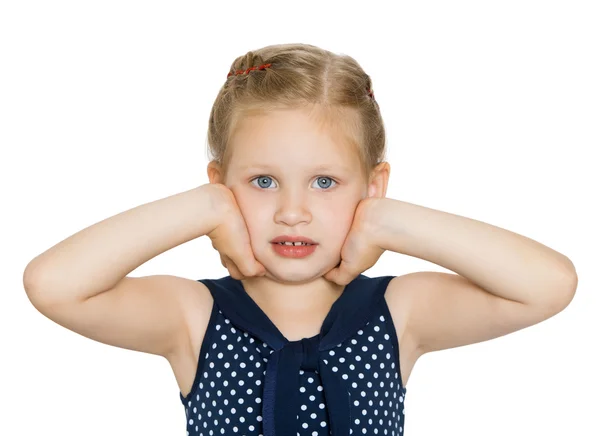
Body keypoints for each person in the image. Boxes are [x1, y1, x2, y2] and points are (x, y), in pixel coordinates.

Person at [22, 43, 578, 436]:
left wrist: (387, 221)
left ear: (372, 186)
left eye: (325, 182)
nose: (293, 212)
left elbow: (548, 285)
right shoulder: (193, 316)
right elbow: (54, 286)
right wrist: (206, 207)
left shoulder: (399, 312)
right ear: (222, 185)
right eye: (262, 182)